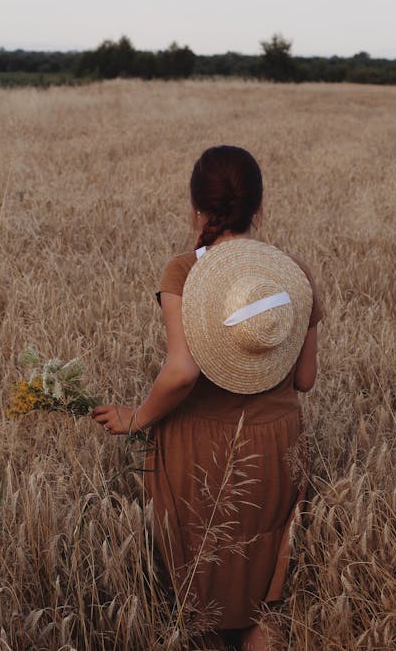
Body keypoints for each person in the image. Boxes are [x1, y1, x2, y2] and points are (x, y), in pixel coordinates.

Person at [91, 145, 323, 650]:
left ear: (196, 207)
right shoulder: (293, 276)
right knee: (266, 598)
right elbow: (304, 380)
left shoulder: (184, 273)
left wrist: (137, 418)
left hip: (201, 450)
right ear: (258, 208)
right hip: (277, 447)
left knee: (202, 600)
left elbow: (182, 373)